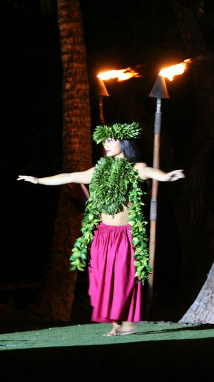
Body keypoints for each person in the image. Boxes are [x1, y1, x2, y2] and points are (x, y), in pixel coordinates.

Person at [18, 122, 184, 336]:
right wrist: (38, 180)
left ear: (123, 143)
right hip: (102, 235)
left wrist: (167, 175)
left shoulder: (135, 169)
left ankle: (123, 324)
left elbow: (152, 172)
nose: (105, 144)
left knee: (123, 280)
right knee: (100, 282)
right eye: (104, 140)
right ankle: (117, 325)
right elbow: (69, 176)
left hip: (124, 235)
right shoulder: (97, 172)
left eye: (110, 140)